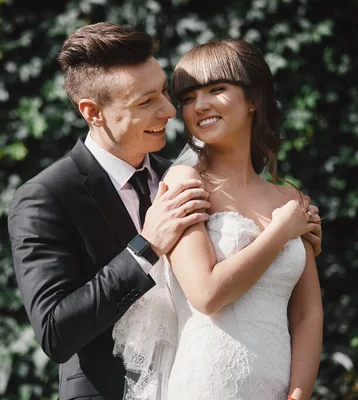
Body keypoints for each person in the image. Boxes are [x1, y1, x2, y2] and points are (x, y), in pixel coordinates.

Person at [8, 23, 322, 400]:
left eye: (162, 92)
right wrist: (144, 247)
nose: (170, 110)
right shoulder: (47, 196)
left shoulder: (180, 173)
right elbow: (55, 332)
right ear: (93, 112)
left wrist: (292, 234)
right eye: (146, 102)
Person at [114, 39, 323, 400]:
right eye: (189, 97)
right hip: (207, 385)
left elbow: (307, 311)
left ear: (253, 99)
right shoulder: (184, 182)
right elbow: (206, 294)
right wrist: (278, 233)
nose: (200, 105)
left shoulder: (288, 199)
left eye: (216, 89)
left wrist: (299, 393)